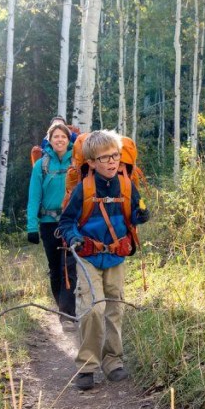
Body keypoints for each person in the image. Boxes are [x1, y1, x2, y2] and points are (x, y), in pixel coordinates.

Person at [58, 130, 149, 391]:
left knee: (115, 308)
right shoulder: (83, 189)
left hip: (116, 256)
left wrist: (141, 214)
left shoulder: (126, 185)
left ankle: (113, 363)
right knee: (93, 307)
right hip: (87, 255)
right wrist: (73, 236)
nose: (111, 162)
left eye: (115, 156)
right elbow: (66, 222)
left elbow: (135, 214)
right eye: (104, 158)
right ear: (92, 162)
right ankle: (87, 366)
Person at [26, 122, 77, 326]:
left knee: (70, 267)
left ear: (68, 139)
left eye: (63, 136)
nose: (59, 140)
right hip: (49, 224)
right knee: (55, 268)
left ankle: (67, 314)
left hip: (72, 221)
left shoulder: (77, 161)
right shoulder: (41, 165)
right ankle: (62, 309)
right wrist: (32, 226)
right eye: (55, 136)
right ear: (50, 140)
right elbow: (33, 197)